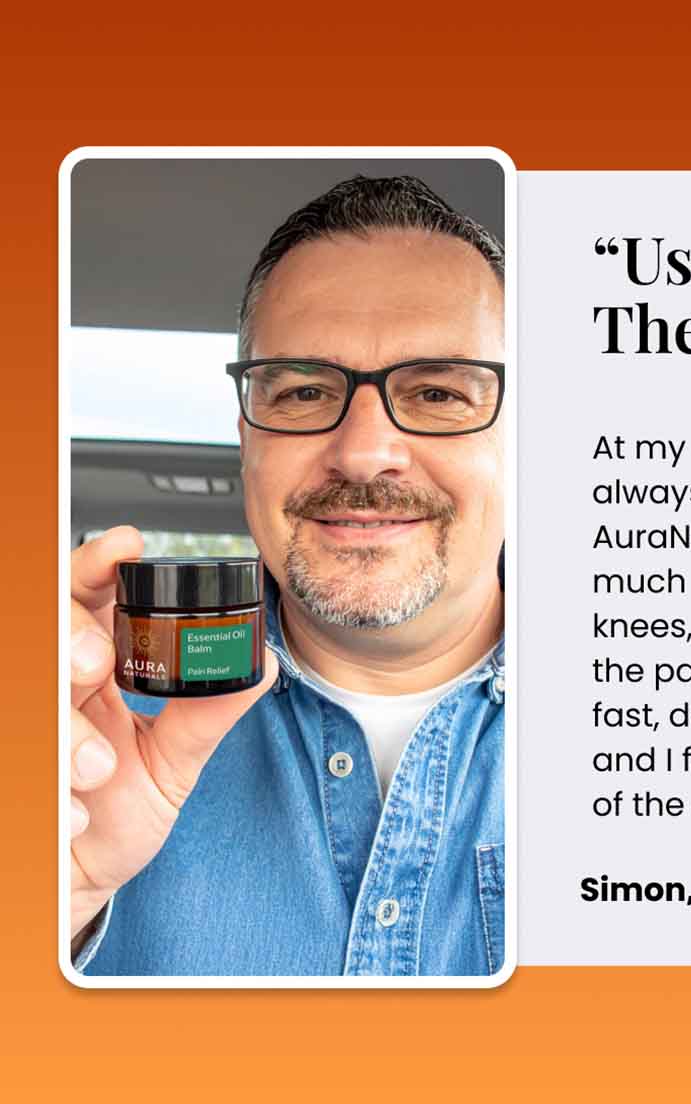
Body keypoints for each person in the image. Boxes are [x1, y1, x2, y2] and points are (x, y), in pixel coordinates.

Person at [68, 175, 507, 977]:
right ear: (246, 437)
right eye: (305, 391)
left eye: (439, 391)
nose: (365, 450)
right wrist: (50, 905)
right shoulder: (84, 736)